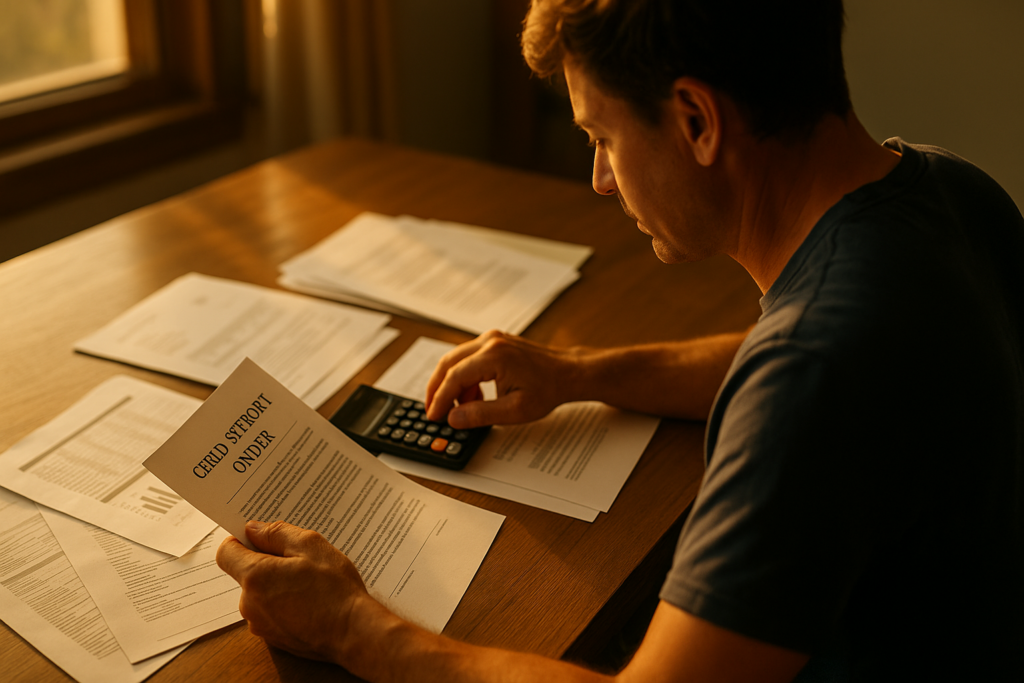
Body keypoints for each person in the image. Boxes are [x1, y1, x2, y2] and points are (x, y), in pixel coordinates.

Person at [217, 0, 1024, 680]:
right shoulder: (949, 190)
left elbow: (810, 374)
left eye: (601, 135)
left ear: (696, 121)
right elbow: (818, 364)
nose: (600, 178)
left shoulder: (813, 374)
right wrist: (577, 371)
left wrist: (353, 626)